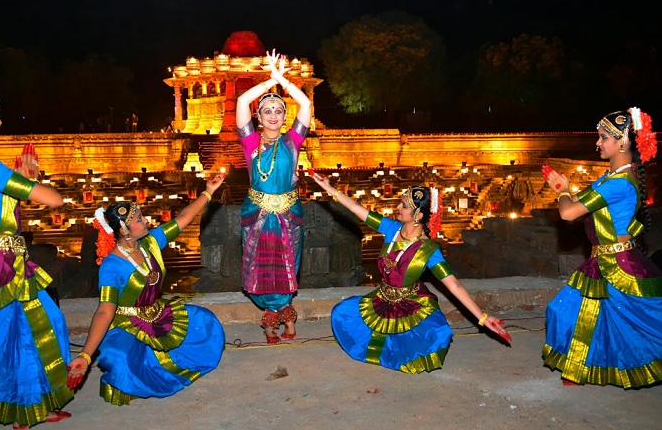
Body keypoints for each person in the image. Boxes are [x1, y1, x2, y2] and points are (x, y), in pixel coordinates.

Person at [311, 175, 512, 372]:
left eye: (404, 206)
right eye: (401, 203)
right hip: (382, 297)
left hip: (411, 302)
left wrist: (483, 317)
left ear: (418, 215)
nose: (398, 208)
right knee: (342, 312)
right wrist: (329, 188)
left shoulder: (429, 250)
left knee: (438, 335)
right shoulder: (391, 228)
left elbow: (454, 286)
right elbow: (356, 209)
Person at [0, 84, 73, 429]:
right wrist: (30, 180)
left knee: (25, 329)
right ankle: (21, 405)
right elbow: (53, 201)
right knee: (7, 336)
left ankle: (28, 406)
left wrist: (17, 182)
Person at [66, 175, 226, 404]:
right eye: (140, 220)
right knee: (118, 358)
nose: (147, 222)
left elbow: (184, 217)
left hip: (156, 312)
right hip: (126, 323)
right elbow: (104, 311)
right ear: (124, 231)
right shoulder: (112, 266)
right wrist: (85, 355)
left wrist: (208, 191)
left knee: (206, 322)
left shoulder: (151, 242)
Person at [543, 107, 662, 388]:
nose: (597, 143)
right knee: (577, 314)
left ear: (623, 142)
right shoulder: (611, 178)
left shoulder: (619, 183)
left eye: (603, 138)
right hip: (603, 260)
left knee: (632, 326)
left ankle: (581, 369)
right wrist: (567, 190)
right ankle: (580, 367)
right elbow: (579, 201)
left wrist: (562, 190)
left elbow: (568, 213)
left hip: (619, 264)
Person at [236, 49, 311, 344]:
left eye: (279, 111)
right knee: (262, 269)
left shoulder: (293, 140)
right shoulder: (250, 142)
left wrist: (283, 81)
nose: (274, 115)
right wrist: (269, 83)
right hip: (257, 214)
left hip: (288, 215)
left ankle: (286, 314)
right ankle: (270, 322)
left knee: (287, 266)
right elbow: (242, 100)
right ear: (259, 116)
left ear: (285, 117)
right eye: (267, 111)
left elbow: (304, 102)